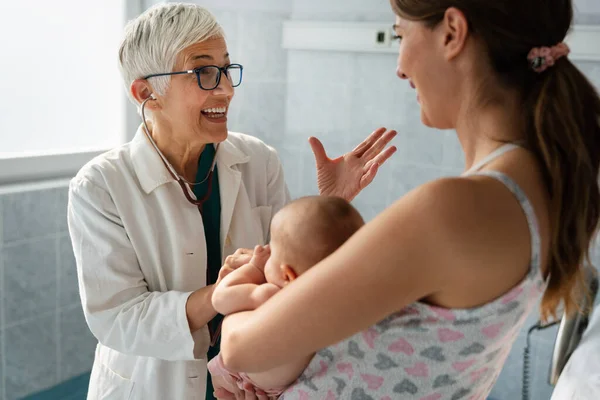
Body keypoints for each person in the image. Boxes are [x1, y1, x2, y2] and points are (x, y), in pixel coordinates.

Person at [216, 0, 600, 398]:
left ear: (452, 32)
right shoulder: (542, 184)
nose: (400, 67)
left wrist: (244, 283)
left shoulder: (451, 210)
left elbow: (241, 348)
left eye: (400, 35)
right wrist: (329, 209)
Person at [66, 3, 397, 400]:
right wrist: (215, 298)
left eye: (226, 69)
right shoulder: (100, 186)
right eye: (204, 72)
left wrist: (330, 203)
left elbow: (290, 273)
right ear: (146, 93)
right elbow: (116, 317)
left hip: (249, 381)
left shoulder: (258, 160)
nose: (226, 88)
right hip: (151, 386)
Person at [208, 196, 365, 399]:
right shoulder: (342, 308)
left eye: (271, 250)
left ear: (288, 276)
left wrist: (254, 268)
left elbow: (220, 298)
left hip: (239, 379)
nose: (263, 250)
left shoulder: (270, 295)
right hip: (284, 389)